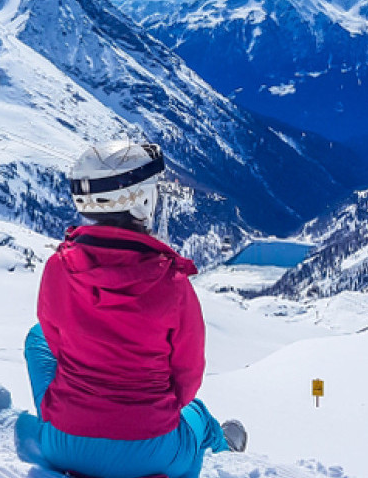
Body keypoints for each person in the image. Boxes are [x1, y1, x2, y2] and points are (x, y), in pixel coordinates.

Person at [15, 141, 246, 478]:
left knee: (37, 339)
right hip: (150, 452)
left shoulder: (57, 267)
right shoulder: (173, 284)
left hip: (64, 444)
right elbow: (187, 377)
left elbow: (55, 339)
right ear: (143, 201)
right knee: (198, 415)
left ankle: (67, 421)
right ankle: (226, 452)